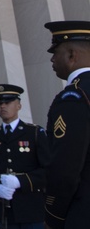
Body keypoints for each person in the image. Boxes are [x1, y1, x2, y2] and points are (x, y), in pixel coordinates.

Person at [0, 83, 48, 229]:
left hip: (32, 210)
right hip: (5, 211)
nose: (3, 106)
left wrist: (20, 181)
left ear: (18, 105)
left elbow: (48, 170)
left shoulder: (34, 133)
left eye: (8, 102)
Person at [43, 20, 90, 228]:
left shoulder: (73, 96)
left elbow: (66, 166)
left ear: (72, 55)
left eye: (56, 52)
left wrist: (54, 214)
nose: (52, 59)